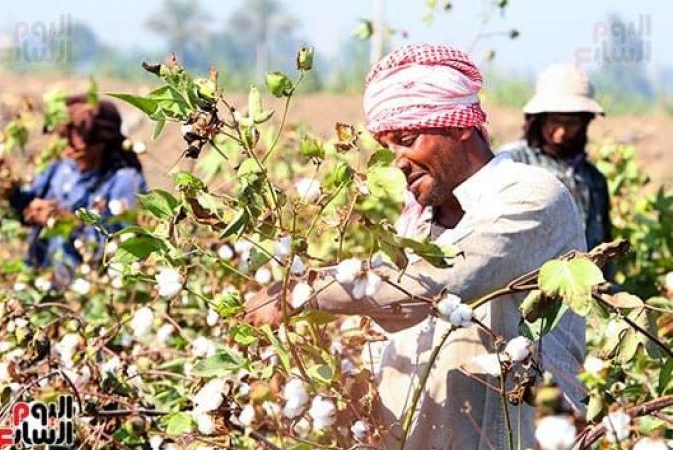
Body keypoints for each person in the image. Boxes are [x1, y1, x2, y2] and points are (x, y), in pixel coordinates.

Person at [245, 44, 587, 450]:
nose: (398, 161)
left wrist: (300, 289)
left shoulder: (531, 196)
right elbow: (394, 320)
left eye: (407, 140)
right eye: (389, 146)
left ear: (460, 127)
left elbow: (430, 285)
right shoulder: (418, 224)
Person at [0, 94, 147, 282]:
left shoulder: (124, 181)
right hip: (43, 280)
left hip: (85, 292)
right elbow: (26, 209)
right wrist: (9, 188)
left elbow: (128, 249)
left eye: (74, 135)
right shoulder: (61, 168)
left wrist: (70, 223)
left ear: (99, 142)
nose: (65, 141)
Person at [498, 63, 611, 251]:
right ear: (539, 120)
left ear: (584, 123)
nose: (561, 133)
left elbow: (603, 248)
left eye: (572, 124)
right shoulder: (511, 162)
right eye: (554, 121)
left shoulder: (594, 180)